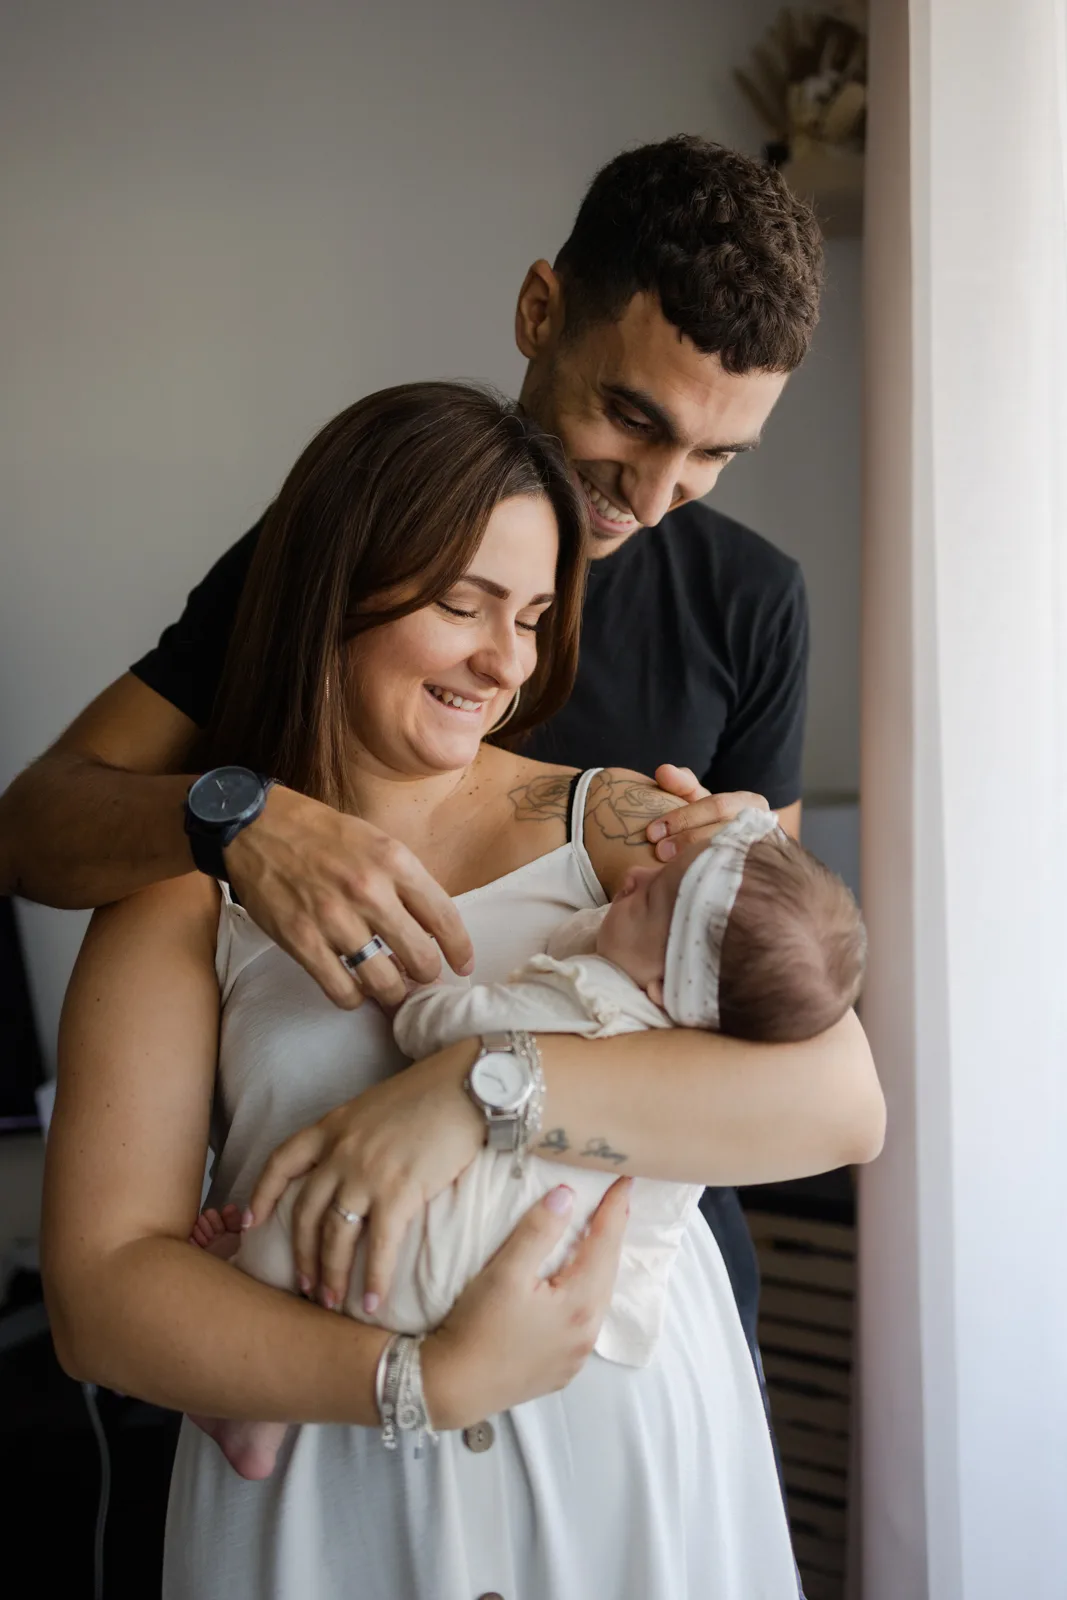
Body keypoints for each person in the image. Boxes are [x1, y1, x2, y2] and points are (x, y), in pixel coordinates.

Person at [5, 136, 822, 1443]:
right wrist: (240, 818)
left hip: (629, 1289)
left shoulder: (748, 607)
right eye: (632, 419)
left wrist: (474, 1087)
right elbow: (35, 826)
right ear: (537, 311)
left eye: (716, 456)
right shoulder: (333, 554)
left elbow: (764, 1001)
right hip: (328, 1318)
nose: (656, 496)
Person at [41, 383, 883, 1600]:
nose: (505, 662)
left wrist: (475, 1085)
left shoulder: (614, 827)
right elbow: (100, 1293)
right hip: (336, 1502)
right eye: (460, 605)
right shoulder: (188, 884)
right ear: (334, 588)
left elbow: (842, 1100)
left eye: (533, 617)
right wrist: (423, 1381)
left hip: (632, 1490)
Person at [191, 803, 867, 1482]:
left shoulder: (591, 996)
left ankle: (251, 1404)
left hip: (440, 1247)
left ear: (666, 986)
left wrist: (411, 994)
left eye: (651, 899)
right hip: (555, 1280)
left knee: (302, 1211)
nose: (630, 879)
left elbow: (453, 1029)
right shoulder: (693, 1066)